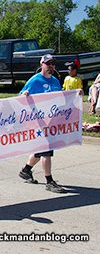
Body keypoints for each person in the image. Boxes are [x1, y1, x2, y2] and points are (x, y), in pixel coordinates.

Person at [18, 54, 82, 193]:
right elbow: (20, 96)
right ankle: (49, 181)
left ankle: (26, 170)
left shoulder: (55, 80)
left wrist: (75, 94)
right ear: (42, 64)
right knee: (47, 150)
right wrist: (25, 95)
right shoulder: (35, 80)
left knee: (41, 150)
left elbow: (60, 98)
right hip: (38, 122)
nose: (51, 66)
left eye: (53, 64)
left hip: (51, 121)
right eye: (48, 64)